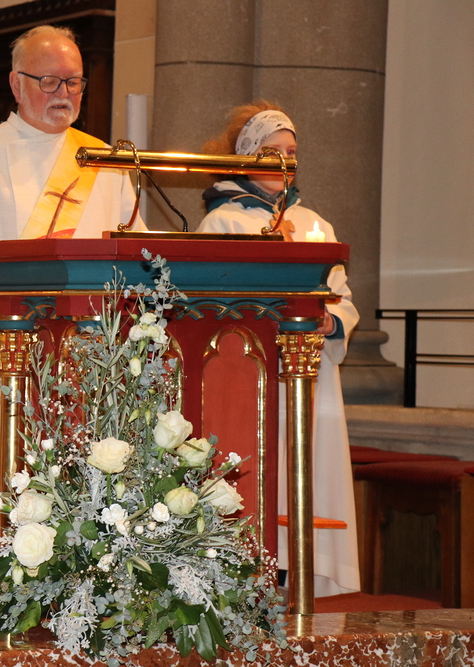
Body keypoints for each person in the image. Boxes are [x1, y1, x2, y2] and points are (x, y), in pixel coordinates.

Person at [0, 25, 144, 629]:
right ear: (16, 84)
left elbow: (137, 254)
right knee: (5, 491)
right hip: (5, 355)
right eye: (48, 80)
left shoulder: (104, 161)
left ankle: (88, 623)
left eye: (73, 81)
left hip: (93, 365)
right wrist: (16, 333)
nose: (63, 93)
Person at [196, 101, 360, 597]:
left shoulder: (314, 224)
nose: (285, 161)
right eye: (272, 151)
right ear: (246, 157)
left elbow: (342, 297)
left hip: (309, 374)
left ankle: (298, 577)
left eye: (291, 152)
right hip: (248, 378)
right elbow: (207, 306)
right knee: (256, 472)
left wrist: (331, 320)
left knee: (302, 474)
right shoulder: (222, 223)